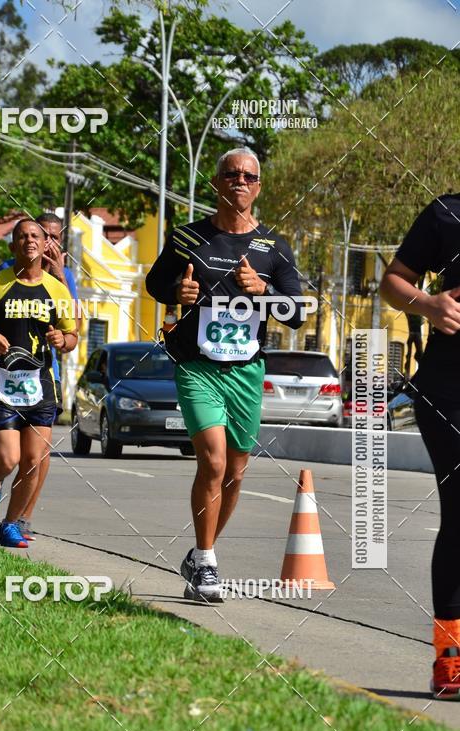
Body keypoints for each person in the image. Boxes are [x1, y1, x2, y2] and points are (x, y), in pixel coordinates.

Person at [146, 147, 304, 602]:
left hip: (246, 370)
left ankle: (199, 558)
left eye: (248, 176)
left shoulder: (274, 247)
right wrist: (179, 288)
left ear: (258, 187)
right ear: (216, 184)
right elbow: (155, 285)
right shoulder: (187, 237)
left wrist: (265, 289)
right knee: (212, 461)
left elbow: (295, 313)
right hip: (198, 365)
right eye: (230, 174)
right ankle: (208, 559)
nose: (239, 181)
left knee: (235, 470)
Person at [381, 193, 460, 699]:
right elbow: (393, 280)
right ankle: (450, 657)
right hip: (450, 390)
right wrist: (428, 304)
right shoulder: (446, 214)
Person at [0, 218, 77, 548]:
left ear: (45, 245)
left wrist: (62, 340)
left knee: (33, 460)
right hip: (2, 387)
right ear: (13, 247)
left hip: (41, 386)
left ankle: (10, 525)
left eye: (35, 237)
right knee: (10, 458)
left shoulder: (58, 290)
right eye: (22, 237)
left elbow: (72, 336)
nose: (29, 241)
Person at [0, 212, 80, 540]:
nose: (49, 243)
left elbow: (74, 328)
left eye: (56, 238)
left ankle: (21, 518)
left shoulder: (64, 276)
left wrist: (58, 275)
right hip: (7, 375)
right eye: (46, 236)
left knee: (38, 454)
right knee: (8, 453)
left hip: (47, 375)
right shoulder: (6, 271)